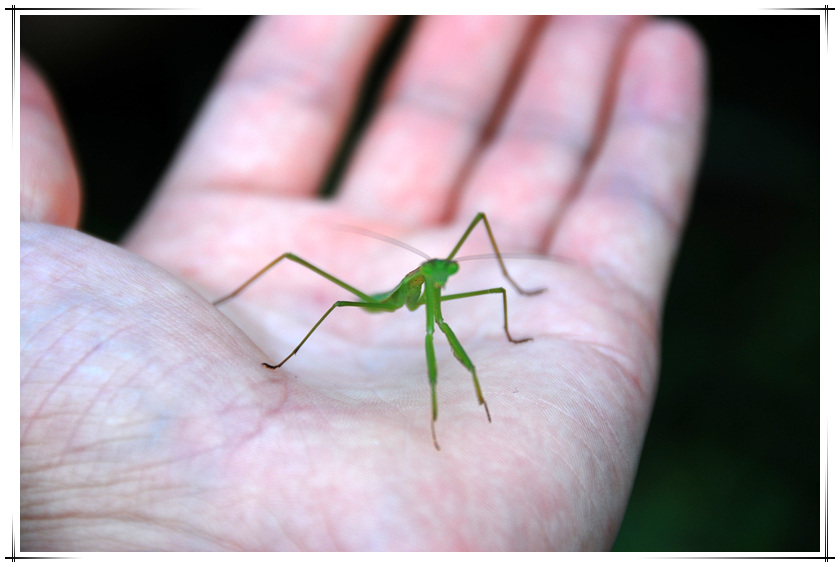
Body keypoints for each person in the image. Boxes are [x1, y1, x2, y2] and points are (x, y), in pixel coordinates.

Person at [20, 15, 707, 550]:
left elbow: (468, 284)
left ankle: (463, 381)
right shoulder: (398, 289)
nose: (443, 272)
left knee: (491, 293)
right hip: (375, 300)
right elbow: (405, 305)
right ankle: (288, 340)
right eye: (437, 268)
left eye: (442, 269)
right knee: (300, 262)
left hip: (435, 308)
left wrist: (509, 310)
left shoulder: (452, 279)